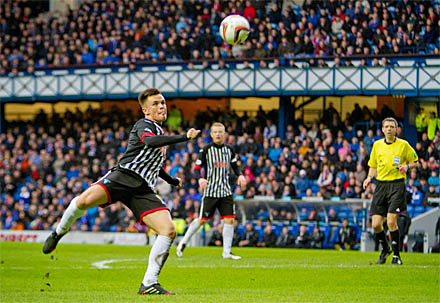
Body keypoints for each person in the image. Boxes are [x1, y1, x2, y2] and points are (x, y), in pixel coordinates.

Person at [42, 88, 200, 295]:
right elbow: (148, 142)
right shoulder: (144, 125)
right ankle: (59, 232)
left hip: (143, 189)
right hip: (123, 177)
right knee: (82, 202)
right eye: (156, 104)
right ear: (145, 110)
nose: (161, 106)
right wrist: (184, 137)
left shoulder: (160, 133)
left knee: (168, 230)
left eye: (163, 102)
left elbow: (154, 163)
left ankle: (149, 283)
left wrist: (171, 180)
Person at [176, 122, 247, 259]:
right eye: (216, 132)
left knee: (230, 220)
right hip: (211, 192)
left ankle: (226, 252)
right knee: (202, 220)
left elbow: (235, 166)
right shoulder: (206, 150)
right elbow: (196, 169)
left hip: (225, 191)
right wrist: (200, 179)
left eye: (221, 132)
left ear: (224, 134)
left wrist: (240, 175)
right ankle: (183, 243)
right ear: (212, 134)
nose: (218, 134)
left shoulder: (229, 150)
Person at [363, 117, 419, 265]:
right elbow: (373, 165)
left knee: (391, 220)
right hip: (381, 185)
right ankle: (385, 248)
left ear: (396, 129)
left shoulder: (403, 145)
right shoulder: (377, 145)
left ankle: (396, 255)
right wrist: (369, 178)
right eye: (386, 126)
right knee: (375, 224)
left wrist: (407, 167)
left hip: (397, 185)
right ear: (382, 129)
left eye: (392, 127)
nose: (389, 129)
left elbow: (416, 161)